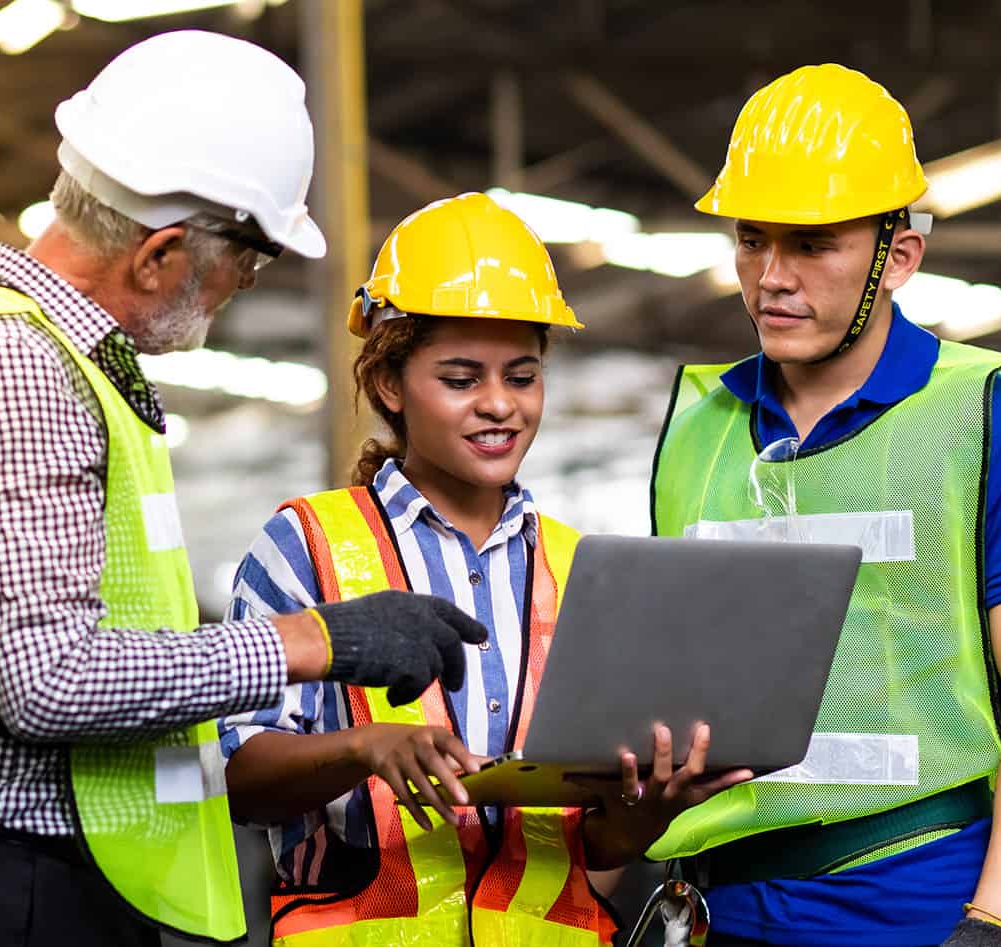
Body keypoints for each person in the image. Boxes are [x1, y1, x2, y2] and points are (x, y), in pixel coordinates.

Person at [0, 32, 490, 947]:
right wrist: (314, 641)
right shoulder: (17, 369)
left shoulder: (55, 361)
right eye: (247, 262)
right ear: (161, 253)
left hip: (15, 878)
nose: (240, 288)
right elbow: (50, 681)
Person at [646, 64, 1001, 947]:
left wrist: (995, 922)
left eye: (811, 244)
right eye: (751, 240)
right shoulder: (695, 428)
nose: (770, 277)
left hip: (910, 905)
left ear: (897, 255)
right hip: (715, 909)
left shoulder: (993, 418)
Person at [219, 192, 752, 946]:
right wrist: (363, 747)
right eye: (462, 378)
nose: (499, 405)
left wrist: (648, 809)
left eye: (522, 375)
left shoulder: (580, 569)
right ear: (389, 384)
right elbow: (240, 776)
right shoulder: (304, 544)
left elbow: (589, 849)